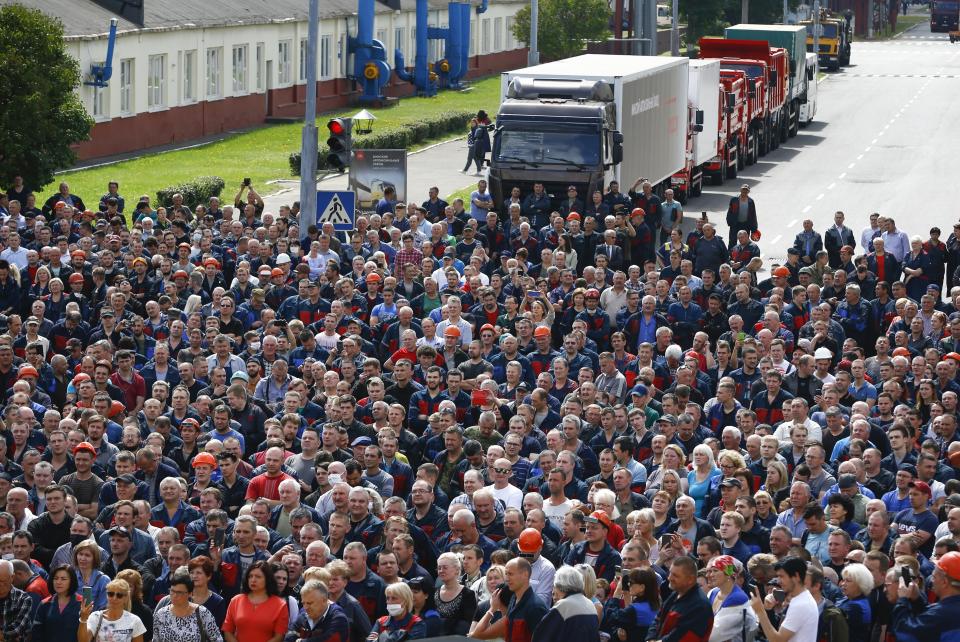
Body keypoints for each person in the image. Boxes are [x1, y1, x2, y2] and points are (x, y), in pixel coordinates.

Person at [890, 549, 960, 639]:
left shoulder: (941, 614)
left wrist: (902, 600)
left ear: (944, 582)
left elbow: (904, 633)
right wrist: (917, 599)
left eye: (934, 576)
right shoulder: (947, 610)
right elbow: (929, 617)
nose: (932, 581)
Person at [749, 556, 818, 642]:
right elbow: (775, 632)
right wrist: (768, 609)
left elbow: (777, 640)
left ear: (796, 576)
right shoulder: (800, 599)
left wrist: (760, 611)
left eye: (782, 576)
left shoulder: (801, 605)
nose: (778, 581)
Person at [649, 556, 713, 641]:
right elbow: (658, 618)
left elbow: (682, 636)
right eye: (670, 573)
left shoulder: (700, 605)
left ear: (690, 579)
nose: (669, 578)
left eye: (675, 575)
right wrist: (651, 638)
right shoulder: (676, 593)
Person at [222, 561, 288, 642]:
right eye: (250, 576)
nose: (253, 580)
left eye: (258, 577)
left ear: (267, 579)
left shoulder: (280, 605)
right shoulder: (236, 600)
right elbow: (227, 631)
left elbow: (279, 637)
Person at [531, 566, 599, 642]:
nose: (553, 592)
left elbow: (541, 636)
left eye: (554, 586)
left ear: (560, 586)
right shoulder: (590, 604)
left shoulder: (563, 606)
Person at [152, 569, 223, 642]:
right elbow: (156, 639)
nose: (175, 596)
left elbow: (217, 639)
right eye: (172, 591)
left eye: (179, 592)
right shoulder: (161, 614)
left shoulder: (202, 613)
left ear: (190, 594)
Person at [705, 555, 757, 642]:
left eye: (715, 571)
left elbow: (714, 636)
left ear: (729, 574)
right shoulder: (713, 592)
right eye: (711, 571)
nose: (711, 575)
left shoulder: (737, 599)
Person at [78, 578, 146, 642]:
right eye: (110, 594)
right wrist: (83, 618)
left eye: (119, 595)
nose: (114, 598)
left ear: (126, 598)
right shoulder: (96, 616)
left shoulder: (135, 620)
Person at [600, 567, 659, 642]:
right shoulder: (656, 605)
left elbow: (612, 617)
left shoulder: (634, 610)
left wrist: (616, 595)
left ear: (642, 587)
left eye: (631, 582)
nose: (628, 584)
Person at [34, 564, 82, 642]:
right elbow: (37, 633)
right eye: (55, 578)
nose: (58, 582)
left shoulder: (82, 603)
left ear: (72, 581)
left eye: (63, 579)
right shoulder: (45, 604)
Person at [837, 563, 873, 642]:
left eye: (848, 581)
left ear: (861, 584)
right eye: (843, 580)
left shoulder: (856, 606)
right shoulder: (850, 599)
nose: (843, 584)